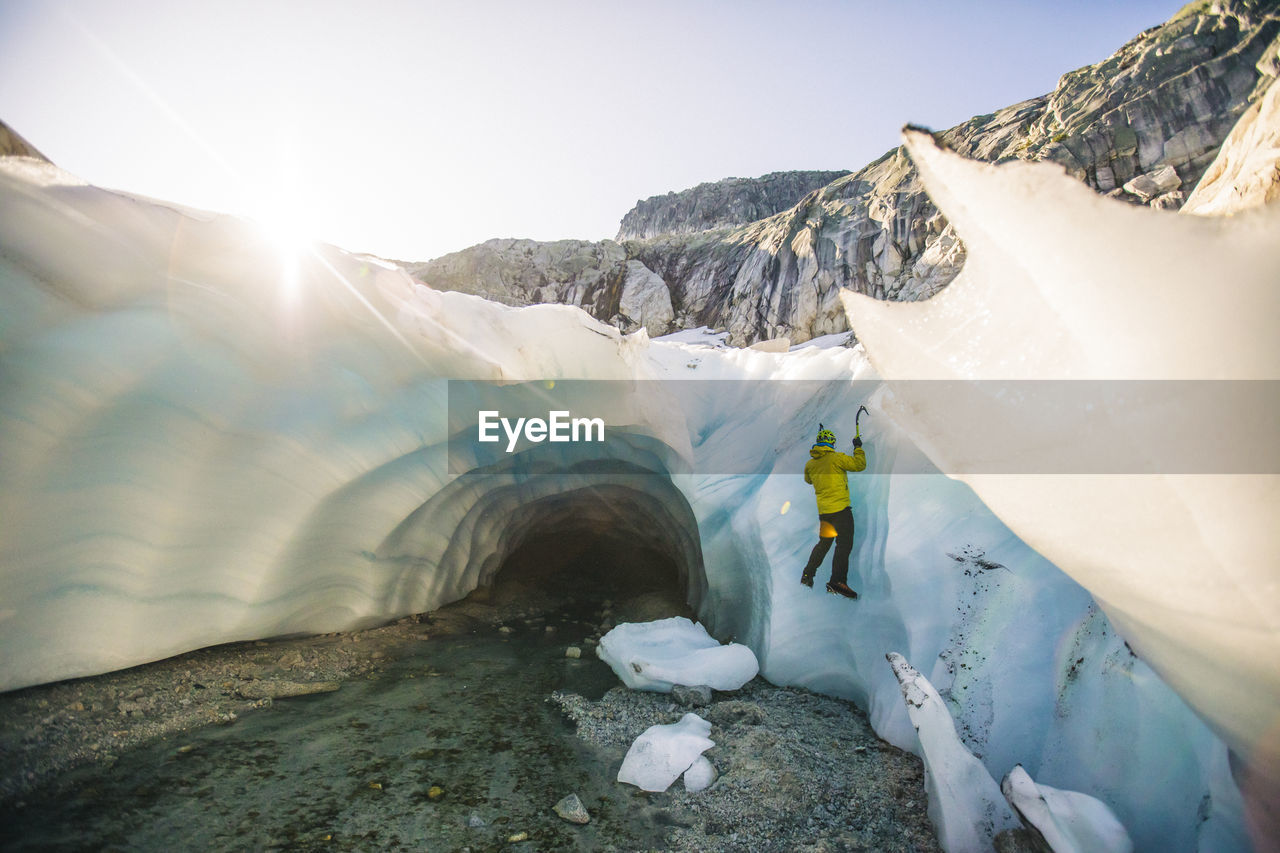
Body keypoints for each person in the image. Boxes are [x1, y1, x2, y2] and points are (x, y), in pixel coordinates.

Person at [800, 423, 866, 599]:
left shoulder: (810, 465)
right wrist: (858, 447)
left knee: (824, 544)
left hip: (825, 514)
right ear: (832, 444)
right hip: (841, 512)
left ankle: (808, 574)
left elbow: (808, 480)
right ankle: (837, 581)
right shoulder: (837, 458)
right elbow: (859, 465)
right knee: (843, 545)